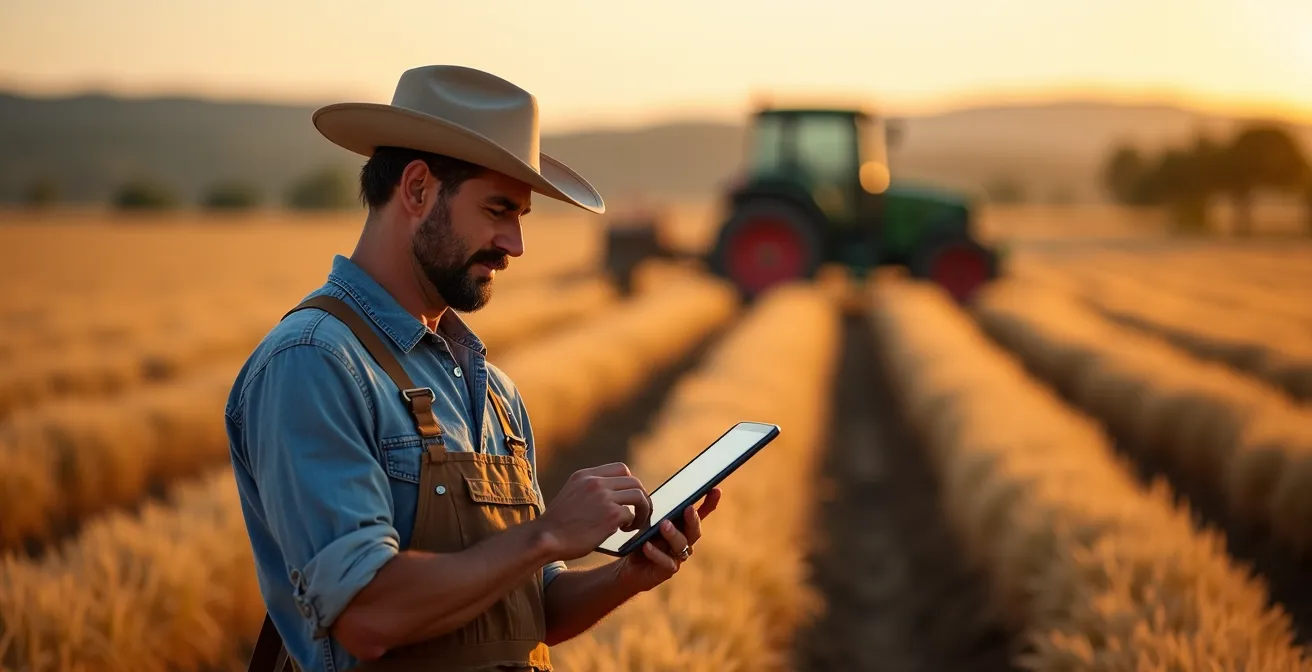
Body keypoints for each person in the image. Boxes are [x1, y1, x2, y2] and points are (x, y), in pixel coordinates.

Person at [225, 64, 722, 672]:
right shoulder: (315, 362)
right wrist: (547, 533)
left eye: (520, 218)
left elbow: (528, 608)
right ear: (416, 190)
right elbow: (366, 615)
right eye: (497, 211)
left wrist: (627, 575)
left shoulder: (491, 389)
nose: (515, 245)